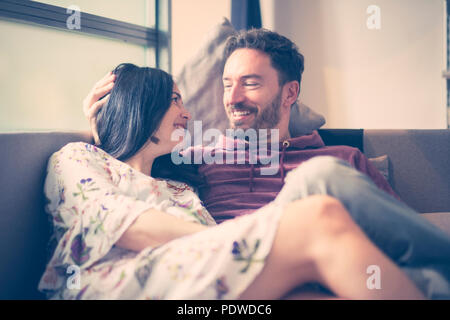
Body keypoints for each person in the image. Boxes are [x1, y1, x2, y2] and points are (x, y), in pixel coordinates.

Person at [84, 29, 450, 299]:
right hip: (251, 278)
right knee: (317, 178)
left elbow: (398, 238)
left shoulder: (345, 159)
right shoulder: (189, 161)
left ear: (290, 92)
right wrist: (101, 127)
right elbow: (129, 171)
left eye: (250, 84)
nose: (233, 98)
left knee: (427, 281)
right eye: (227, 85)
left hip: (336, 276)